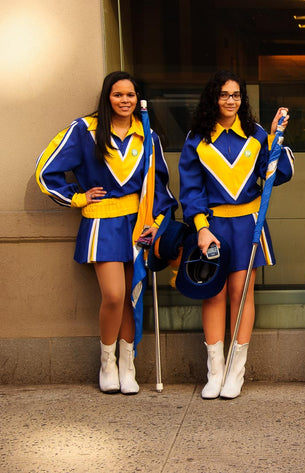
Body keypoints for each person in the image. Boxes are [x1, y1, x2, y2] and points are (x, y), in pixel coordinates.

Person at [36, 71, 177, 394]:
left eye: (130, 95)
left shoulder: (148, 135)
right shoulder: (85, 130)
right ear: (107, 97)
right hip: (102, 222)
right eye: (118, 95)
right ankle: (107, 362)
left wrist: (155, 222)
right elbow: (46, 170)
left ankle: (128, 365)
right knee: (113, 295)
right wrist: (77, 197)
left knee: (132, 296)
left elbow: (160, 186)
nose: (124, 100)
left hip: (137, 223)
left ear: (137, 98)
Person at [179, 70, 293, 400]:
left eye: (236, 95)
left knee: (241, 294)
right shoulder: (196, 138)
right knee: (213, 293)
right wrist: (200, 227)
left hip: (247, 223)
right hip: (212, 226)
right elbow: (191, 188)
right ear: (213, 98)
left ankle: (235, 371)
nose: (231, 101)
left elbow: (276, 175)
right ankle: (214, 371)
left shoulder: (256, 134)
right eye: (225, 95)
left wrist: (274, 137)